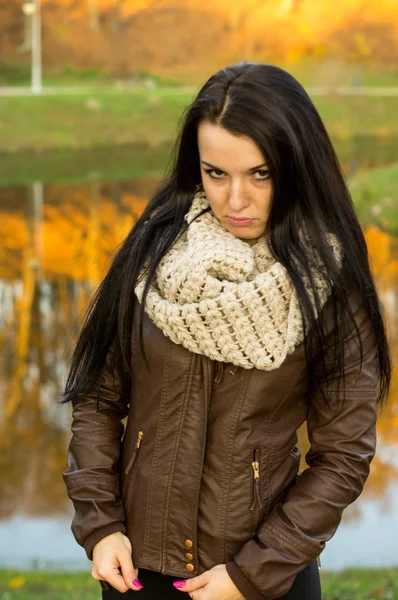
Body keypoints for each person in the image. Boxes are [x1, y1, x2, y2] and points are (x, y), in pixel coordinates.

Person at [62, 62, 391, 600]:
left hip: (262, 579)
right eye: (216, 173)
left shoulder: (329, 285)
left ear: (296, 166)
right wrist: (100, 528)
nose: (235, 200)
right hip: (137, 570)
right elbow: (97, 398)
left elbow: (342, 457)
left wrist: (253, 573)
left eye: (260, 174)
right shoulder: (153, 250)